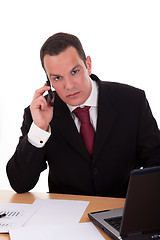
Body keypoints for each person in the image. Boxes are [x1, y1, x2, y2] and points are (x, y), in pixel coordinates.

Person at [6, 32, 160, 197]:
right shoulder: (39, 114)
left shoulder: (131, 101)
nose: (69, 86)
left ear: (88, 64)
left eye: (74, 72)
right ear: (48, 82)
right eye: (57, 78)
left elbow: (156, 162)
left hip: (121, 211)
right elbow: (20, 184)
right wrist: (39, 129)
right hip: (66, 216)